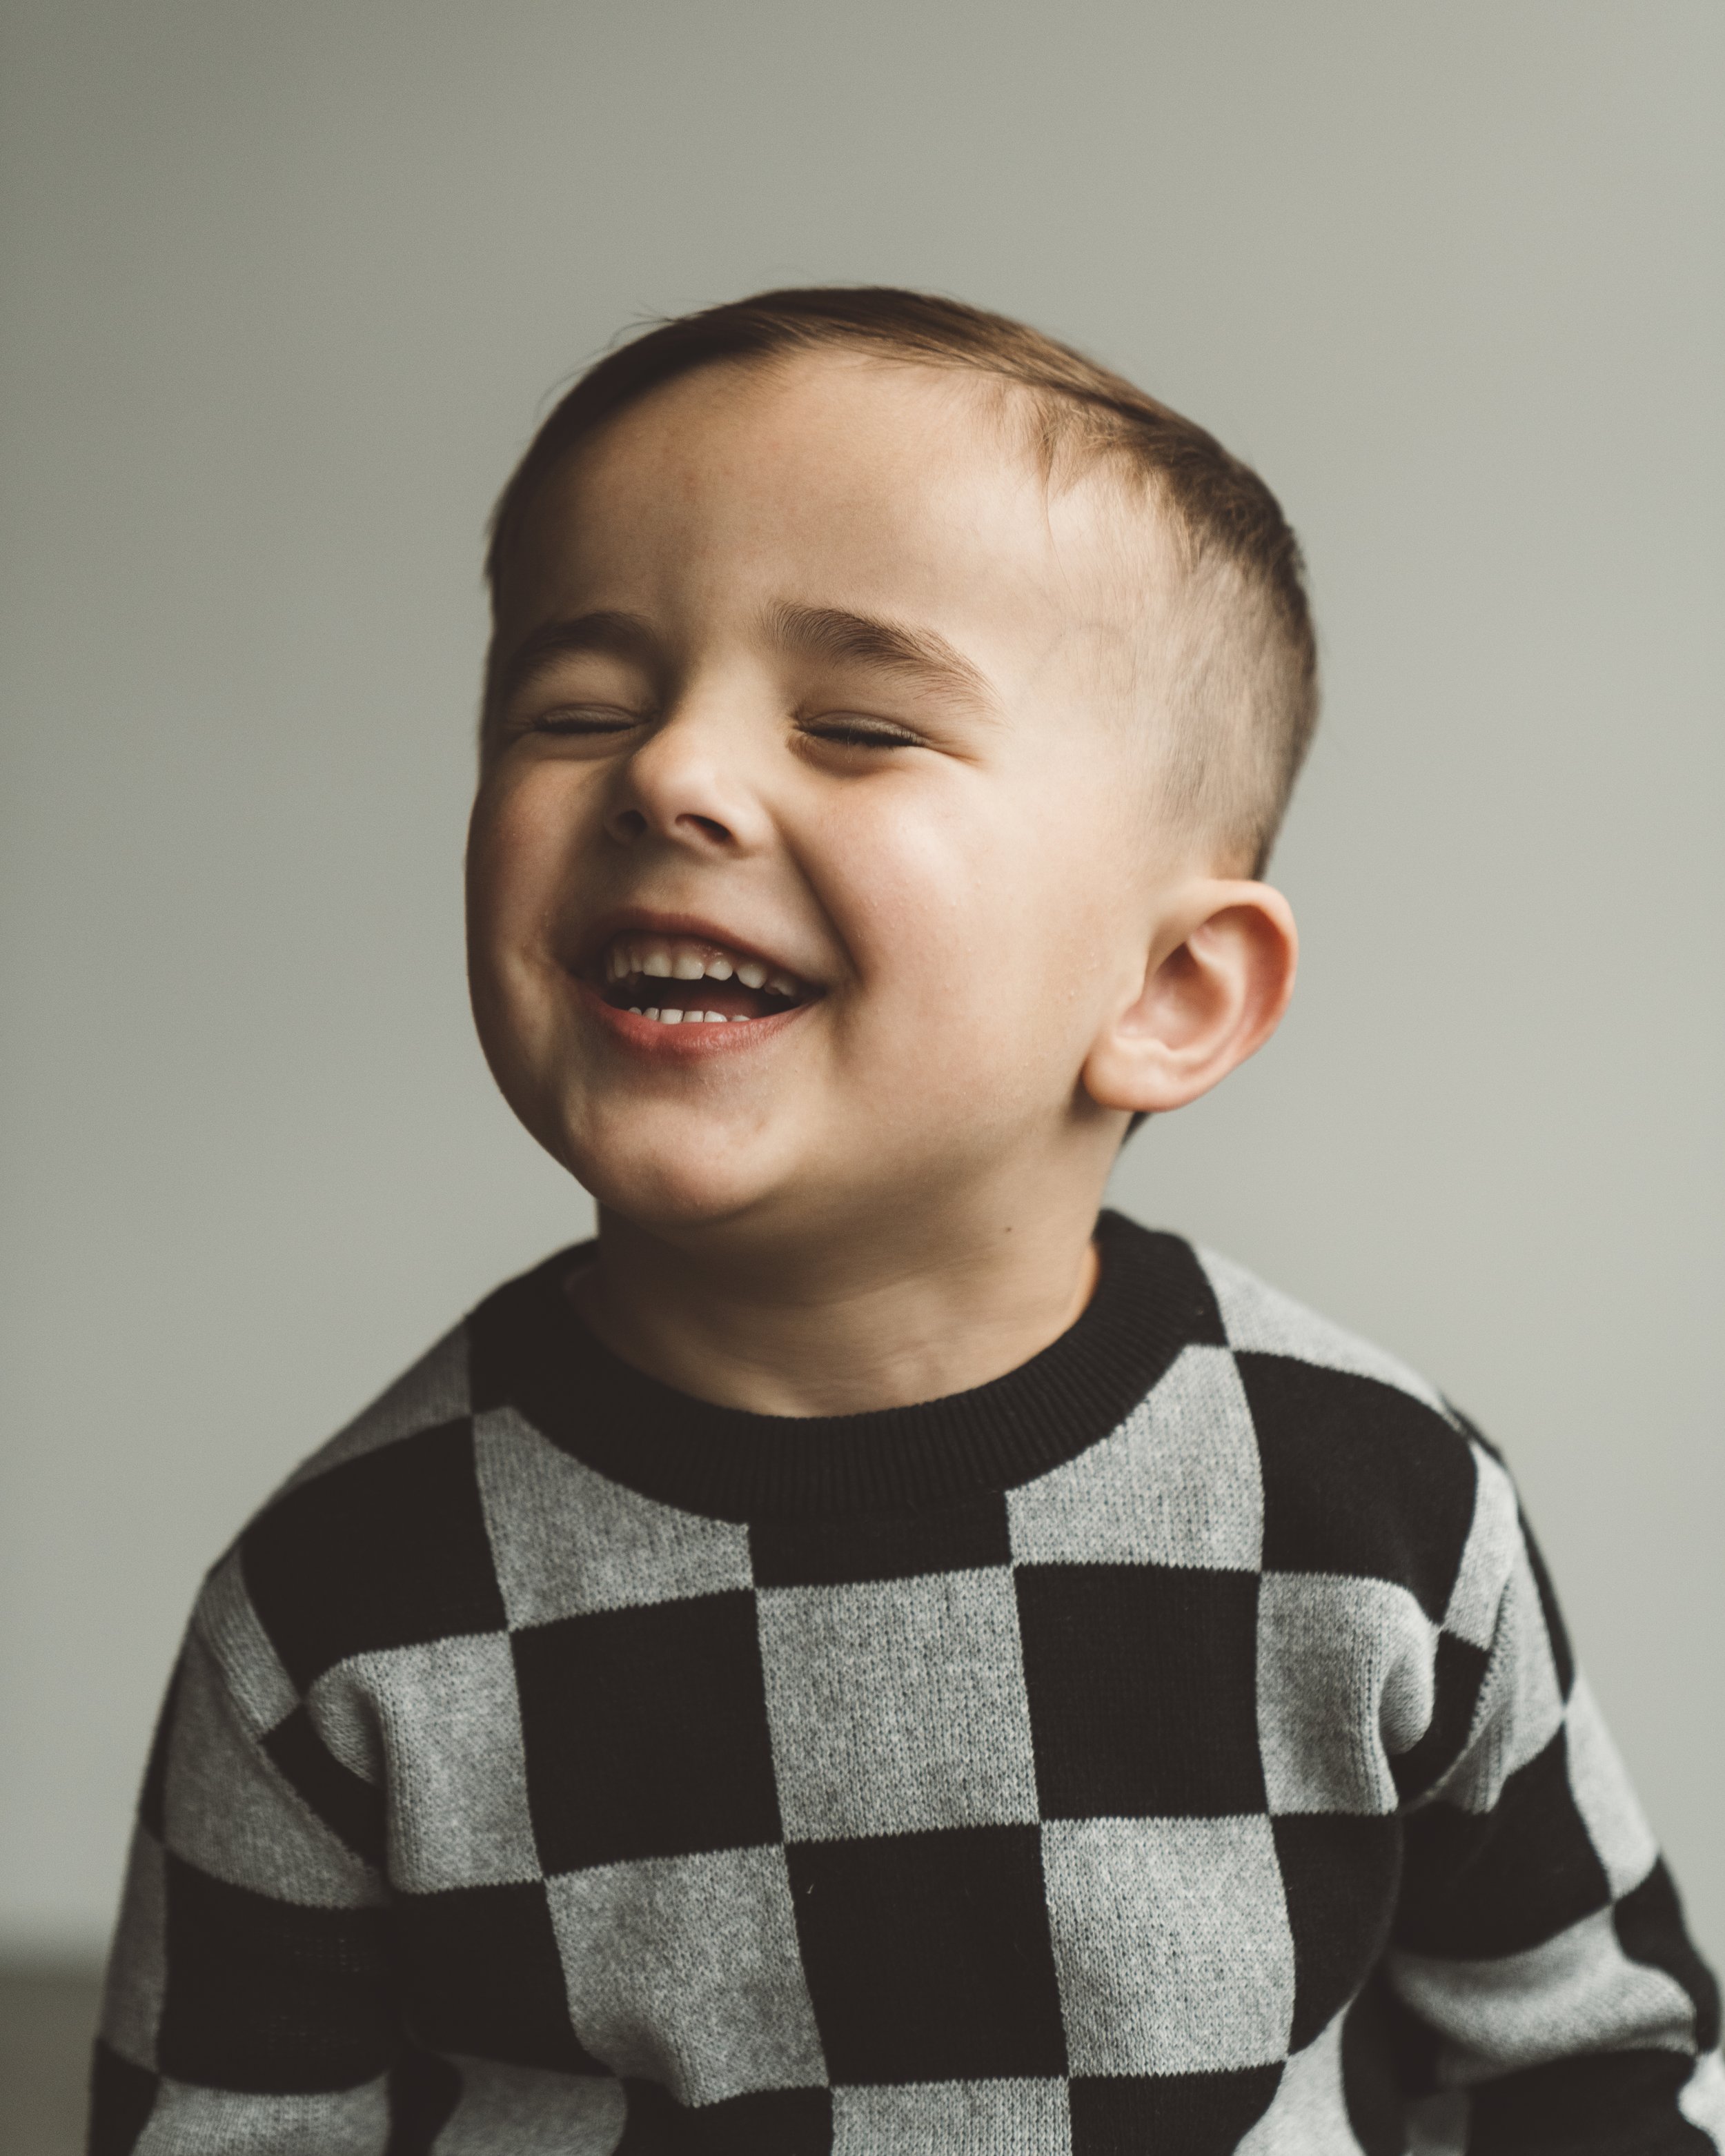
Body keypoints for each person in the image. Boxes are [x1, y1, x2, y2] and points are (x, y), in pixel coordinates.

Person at [89, 289, 1721, 2156]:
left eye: (856, 724)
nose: (669, 776)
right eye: (576, 705)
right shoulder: (343, 1606)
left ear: (1171, 989)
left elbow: (1590, 2066)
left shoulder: (1369, 1513)